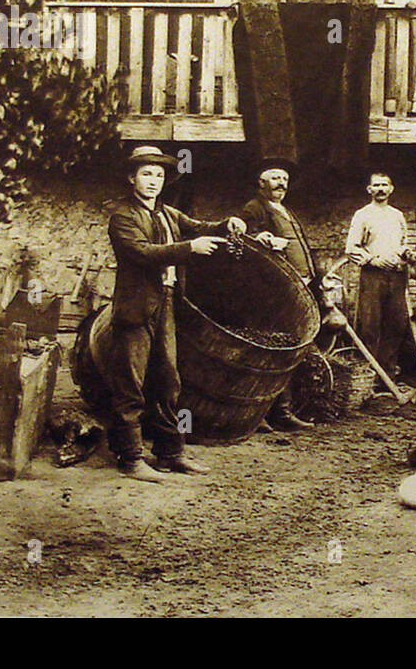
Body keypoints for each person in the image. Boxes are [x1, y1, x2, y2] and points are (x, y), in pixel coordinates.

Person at [104, 146, 246, 482]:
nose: (153, 181)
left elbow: (200, 226)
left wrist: (228, 224)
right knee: (131, 385)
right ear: (131, 178)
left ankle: (171, 453)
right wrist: (188, 249)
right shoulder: (122, 216)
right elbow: (141, 252)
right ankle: (131, 458)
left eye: (159, 175)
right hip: (135, 310)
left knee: (169, 382)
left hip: (165, 304)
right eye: (146, 174)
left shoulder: (168, 214)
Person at [240, 158, 317, 431]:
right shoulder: (254, 208)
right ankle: (257, 414)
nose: (281, 183)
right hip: (271, 292)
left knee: (288, 349)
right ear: (261, 183)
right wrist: (262, 238)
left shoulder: (285, 210)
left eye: (284, 179)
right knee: (268, 348)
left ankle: (283, 412)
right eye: (275, 178)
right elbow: (247, 238)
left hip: (297, 289)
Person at [345, 171, 414, 381]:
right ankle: (368, 377)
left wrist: (407, 254)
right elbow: (351, 247)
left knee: (397, 324)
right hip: (373, 275)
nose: (381, 189)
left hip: (397, 276)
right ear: (369, 190)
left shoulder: (397, 215)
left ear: (391, 189)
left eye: (385, 185)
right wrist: (373, 260)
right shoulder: (363, 215)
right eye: (377, 185)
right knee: (370, 325)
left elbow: (403, 244)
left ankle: (388, 374)